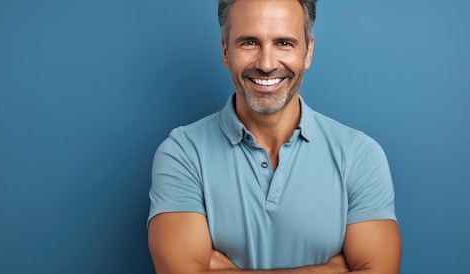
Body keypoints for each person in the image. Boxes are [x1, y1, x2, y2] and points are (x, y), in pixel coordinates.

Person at [147, 0, 402, 273]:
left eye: (284, 43)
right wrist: (330, 270)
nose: (266, 64)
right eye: (249, 43)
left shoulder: (359, 155)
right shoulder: (182, 153)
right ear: (225, 51)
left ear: (308, 51)